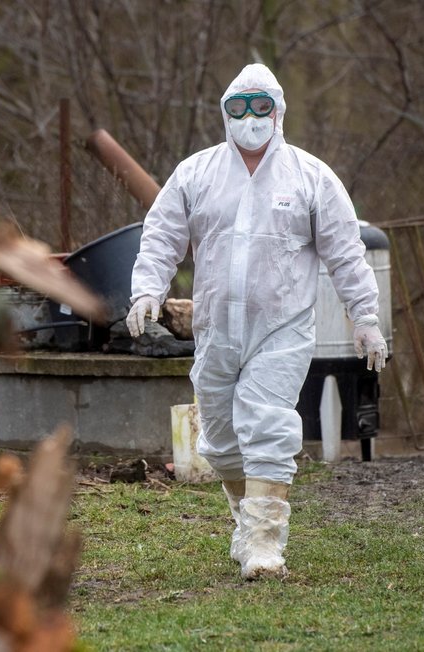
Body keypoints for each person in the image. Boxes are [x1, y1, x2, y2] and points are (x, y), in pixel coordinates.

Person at [126, 63, 388, 580]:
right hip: (216, 331)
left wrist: (366, 317)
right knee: (221, 441)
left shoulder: (311, 177)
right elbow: (161, 235)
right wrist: (147, 290)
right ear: (224, 113)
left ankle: (266, 543)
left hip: (282, 330)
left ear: (279, 110)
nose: (250, 117)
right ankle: (248, 524)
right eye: (239, 107)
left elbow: (345, 252)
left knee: (266, 425)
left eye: (261, 106)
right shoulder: (196, 174)